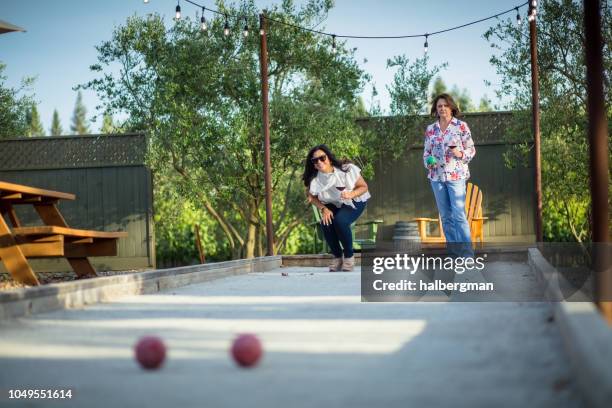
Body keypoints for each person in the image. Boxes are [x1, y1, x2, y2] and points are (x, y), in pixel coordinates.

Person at [302, 144, 370, 271]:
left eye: (322, 158)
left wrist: (351, 194)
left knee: (340, 221)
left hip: (355, 199)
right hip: (334, 203)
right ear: (313, 164)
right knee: (326, 223)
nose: (319, 162)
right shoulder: (315, 179)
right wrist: (323, 209)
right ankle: (337, 257)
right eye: (315, 160)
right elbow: (312, 197)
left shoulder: (346, 170)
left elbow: (364, 187)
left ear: (329, 158)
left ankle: (349, 257)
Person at [423, 93, 476, 257]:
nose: (442, 108)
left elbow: (471, 150)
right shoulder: (431, 130)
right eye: (439, 106)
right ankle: (454, 254)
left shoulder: (461, 126)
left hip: (456, 176)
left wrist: (459, 153)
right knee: (446, 217)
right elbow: (426, 153)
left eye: (445, 105)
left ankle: (467, 256)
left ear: (451, 108)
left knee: (459, 215)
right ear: (436, 109)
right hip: (436, 177)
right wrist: (428, 162)